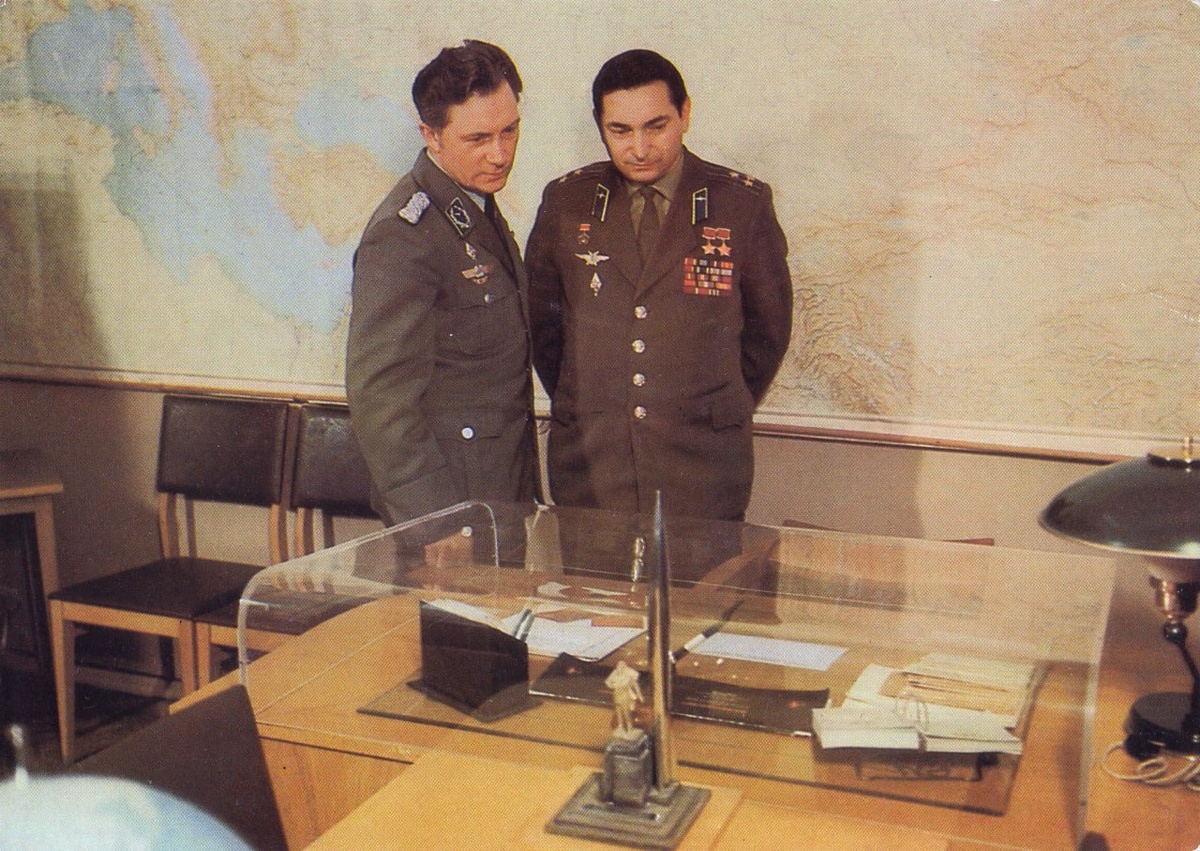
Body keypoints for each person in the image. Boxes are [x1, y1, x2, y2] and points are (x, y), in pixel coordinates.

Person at [525, 49, 793, 523]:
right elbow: (544, 334)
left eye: (656, 126)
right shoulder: (566, 203)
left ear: (684, 114)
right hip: (593, 467)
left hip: (703, 470)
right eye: (620, 130)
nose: (640, 148)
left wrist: (709, 408)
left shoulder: (740, 205)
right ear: (600, 126)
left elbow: (767, 334)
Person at [346, 40, 537, 527]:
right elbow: (381, 397)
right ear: (431, 136)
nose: (500, 154)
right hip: (448, 509)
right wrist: (432, 520)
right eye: (478, 139)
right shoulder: (404, 234)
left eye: (510, 131)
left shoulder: (472, 205)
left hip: (496, 490)